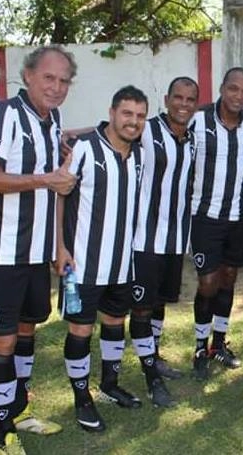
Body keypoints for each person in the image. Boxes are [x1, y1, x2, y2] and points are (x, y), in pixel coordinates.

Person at [0, 45, 76, 455]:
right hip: (1, 252)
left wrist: (58, 245)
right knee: (1, 342)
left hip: (36, 251)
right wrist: (45, 178)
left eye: (64, 80)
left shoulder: (52, 122)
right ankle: (3, 435)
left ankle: (19, 410)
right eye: (48, 78)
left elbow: (57, 182)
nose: (56, 87)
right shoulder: (3, 115)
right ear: (28, 76)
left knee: (27, 332)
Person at [57, 86, 175, 434]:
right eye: (127, 114)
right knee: (80, 329)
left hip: (122, 262)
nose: (134, 122)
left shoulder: (139, 155)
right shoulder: (84, 150)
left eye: (140, 116)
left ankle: (109, 384)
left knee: (114, 323)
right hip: (82, 263)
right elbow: (60, 196)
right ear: (112, 113)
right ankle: (82, 399)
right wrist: (59, 249)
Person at [130, 77, 200, 380]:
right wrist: (68, 136)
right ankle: (148, 367)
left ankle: (153, 354)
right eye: (178, 98)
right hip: (144, 237)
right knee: (142, 305)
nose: (183, 104)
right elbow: (108, 132)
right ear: (167, 99)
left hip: (175, 238)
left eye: (190, 99)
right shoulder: (147, 129)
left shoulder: (192, 138)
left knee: (160, 302)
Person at [190, 67, 243, 380]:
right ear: (221, 88)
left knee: (229, 278)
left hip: (237, 217)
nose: (239, 96)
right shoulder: (198, 120)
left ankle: (218, 343)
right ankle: (200, 346)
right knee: (207, 283)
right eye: (233, 89)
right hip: (205, 217)